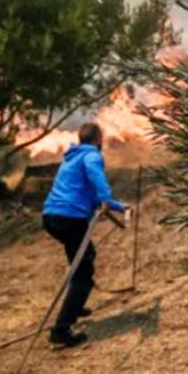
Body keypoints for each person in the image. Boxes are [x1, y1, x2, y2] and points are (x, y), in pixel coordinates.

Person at [41, 122, 127, 348]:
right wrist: (108, 199)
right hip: (69, 219)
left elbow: (88, 195)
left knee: (82, 256)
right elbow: (95, 178)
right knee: (83, 272)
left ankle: (76, 306)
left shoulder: (71, 158)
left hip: (51, 216)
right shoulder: (91, 156)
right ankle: (61, 330)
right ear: (98, 138)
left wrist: (118, 206)